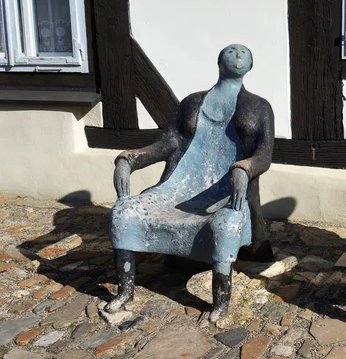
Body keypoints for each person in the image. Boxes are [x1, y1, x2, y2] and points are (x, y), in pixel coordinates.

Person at [107, 44, 275, 322]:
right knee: (125, 212)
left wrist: (245, 168)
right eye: (231, 51)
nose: (237, 55)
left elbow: (264, 155)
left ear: (251, 65)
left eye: (244, 52)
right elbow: (166, 143)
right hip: (176, 189)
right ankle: (125, 291)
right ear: (219, 60)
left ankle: (220, 303)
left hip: (225, 195)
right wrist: (131, 158)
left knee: (224, 223)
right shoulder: (192, 102)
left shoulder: (259, 107)